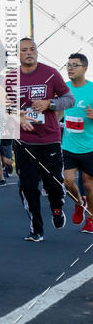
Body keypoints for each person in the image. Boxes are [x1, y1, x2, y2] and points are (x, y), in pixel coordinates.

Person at [13, 38, 74, 242]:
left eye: (32, 49)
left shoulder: (50, 73)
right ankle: (36, 228)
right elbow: (0, 107)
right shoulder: (11, 78)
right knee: (28, 187)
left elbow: (69, 99)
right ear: (18, 54)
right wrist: (16, 116)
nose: (29, 53)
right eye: (24, 50)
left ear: (37, 52)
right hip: (23, 141)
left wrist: (50, 103)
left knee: (54, 185)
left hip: (49, 140)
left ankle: (57, 208)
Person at [61, 53, 93, 233]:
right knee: (68, 182)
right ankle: (79, 203)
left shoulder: (92, 90)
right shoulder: (63, 88)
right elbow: (57, 110)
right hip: (69, 145)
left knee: (89, 185)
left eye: (75, 65)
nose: (70, 68)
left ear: (85, 68)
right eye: (68, 64)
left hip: (89, 147)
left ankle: (90, 219)